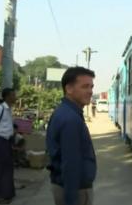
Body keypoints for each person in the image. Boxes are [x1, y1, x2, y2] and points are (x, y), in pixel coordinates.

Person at [46, 67, 97, 205]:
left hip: (68, 187)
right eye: (85, 86)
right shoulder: (70, 119)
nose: (90, 91)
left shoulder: (66, 112)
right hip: (75, 191)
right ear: (69, 88)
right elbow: (70, 165)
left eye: (91, 86)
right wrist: (71, 200)